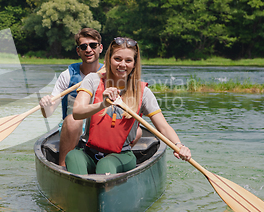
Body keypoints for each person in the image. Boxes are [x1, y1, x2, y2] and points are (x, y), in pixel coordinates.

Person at [66, 37, 191, 175]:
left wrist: (179, 146)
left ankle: (104, 191)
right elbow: (77, 112)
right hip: (88, 152)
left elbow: (163, 127)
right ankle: (79, 191)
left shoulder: (143, 93)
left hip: (121, 155)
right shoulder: (93, 80)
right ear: (109, 59)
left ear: (134, 63)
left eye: (128, 60)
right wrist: (102, 104)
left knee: (105, 165)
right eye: (117, 59)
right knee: (72, 156)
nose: (122, 64)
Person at [39, 28, 103, 167]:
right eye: (83, 46)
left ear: (100, 48)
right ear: (78, 51)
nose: (88, 49)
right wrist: (45, 105)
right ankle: (63, 168)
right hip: (72, 128)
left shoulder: (109, 74)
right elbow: (48, 113)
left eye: (93, 45)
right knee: (73, 120)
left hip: (100, 127)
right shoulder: (67, 75)